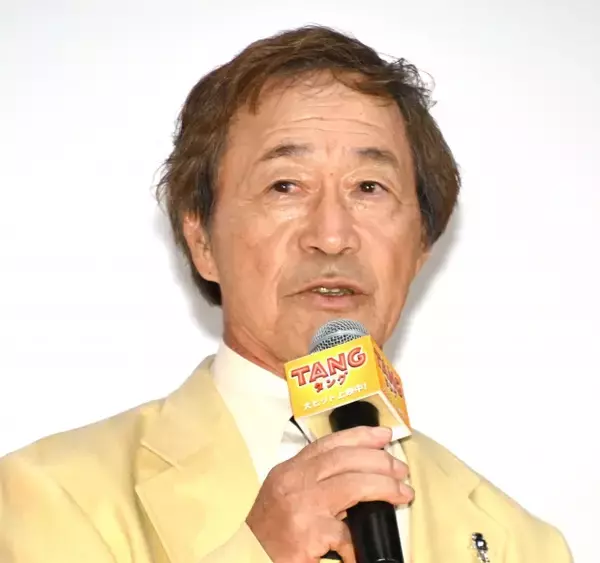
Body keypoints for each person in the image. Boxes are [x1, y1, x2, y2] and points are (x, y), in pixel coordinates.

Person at [0, 25, 572, 563]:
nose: (332, 235)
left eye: (369, 187)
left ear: (421, 245)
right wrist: (259, 551)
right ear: (202, 240)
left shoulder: (522, 544)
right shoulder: (50, 493)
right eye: (285, 186)